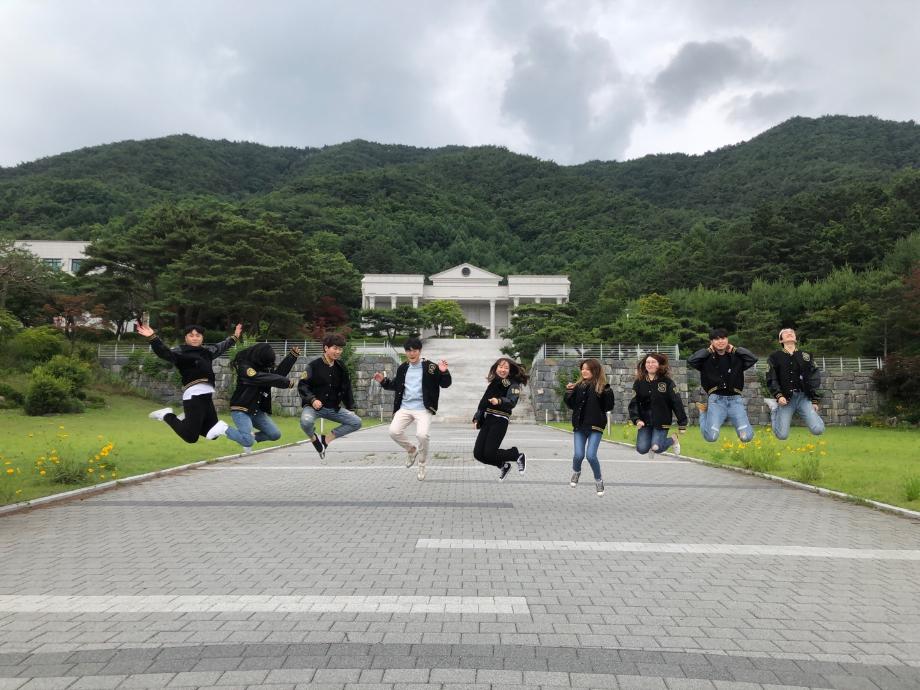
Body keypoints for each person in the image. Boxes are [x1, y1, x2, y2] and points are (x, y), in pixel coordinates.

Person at [138, 321, 242, 443]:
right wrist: (152, 337)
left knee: (213, 433)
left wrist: (235, 337)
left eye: (198, 335)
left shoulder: (207, 352)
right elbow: (164, 352)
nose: (195, 338)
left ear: (202, 338)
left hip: (207, 396)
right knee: (190, 437)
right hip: (194, 395)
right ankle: (166, 415)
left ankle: (185, 420)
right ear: (186, 338)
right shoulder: (180, 351)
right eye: (191, 335)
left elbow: (221, 346)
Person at [373, 335, 451, 481]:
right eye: (408, 351)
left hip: (423, 408)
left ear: (420, 351)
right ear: (405, 352)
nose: (412, 353)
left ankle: (422, 463)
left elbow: (445, 384)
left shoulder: (430, 367)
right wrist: (383, 381)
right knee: (393, 431)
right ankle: (411, 450)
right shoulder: (403, 368)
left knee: (422, 435)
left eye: (414, 350)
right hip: (405, 407)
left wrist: (443, 371)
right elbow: (396, 385)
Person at [225, 342, 301, 453]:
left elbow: (277, 376)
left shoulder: (264, 369)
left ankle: (250, 438)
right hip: (241, 410)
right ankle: (223, 428)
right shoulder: (245, 367)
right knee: (247, 441)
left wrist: (291, 357)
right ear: (260, 357)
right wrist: (284, 382)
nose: (269, 365)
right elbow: (259, 378)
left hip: (257, 411)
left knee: (275, 434)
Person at [687, 328, 758, 443]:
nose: (720, 341)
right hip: (716, 401)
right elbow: (691, 360)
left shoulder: (737, 357)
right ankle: (703, 412)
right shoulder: (706, 359)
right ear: (711, 342)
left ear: (727, 340)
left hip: (735, 401)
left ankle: (744, 434)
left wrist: (735, 349)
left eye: (723, 338)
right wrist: (708, 351)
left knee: (746, 437)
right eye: (716, 339)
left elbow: (753, 359)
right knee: (711, 438)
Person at [298, 333, 362, 458]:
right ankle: (314, 439)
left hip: (333, 408)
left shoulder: (341, 367)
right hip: (313, 408)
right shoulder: (313, 366)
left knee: (356, 422)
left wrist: (351, 407)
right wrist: (312, 399)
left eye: (340, 349)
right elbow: (302, 385)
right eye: (335, 348)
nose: (338, 352)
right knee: (305, 422)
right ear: (326, 348)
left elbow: (346, 388)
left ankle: (326, 440)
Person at [564, 358, 614, 496]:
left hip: (595, 427)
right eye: (583, 369)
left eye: (587, 369)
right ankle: (576, 472)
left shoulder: (602, 387)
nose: (584, 371)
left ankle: (598, 480)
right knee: (578, 455)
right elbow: (571, 404)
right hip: (580, 426)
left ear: (595, 370)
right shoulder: (578, 386)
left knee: (591, 456)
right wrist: (568, 391)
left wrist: (608, 392)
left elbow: (608, 406)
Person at [472, 358, 528, 481]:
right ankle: (503, 465)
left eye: (506, 368)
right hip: (488, 419)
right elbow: (483, 402)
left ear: (510, 370)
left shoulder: (513, 384)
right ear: (496, 368)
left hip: (500, 420)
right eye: (500, 367)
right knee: (478, 454)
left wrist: (499, 401)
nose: (503, 370)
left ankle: (516, 455)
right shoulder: (494, 383)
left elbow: (512, 402)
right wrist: (477, 417)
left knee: (489, 453)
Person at [765, 328, 826, 440]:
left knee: (818, 429)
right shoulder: (774, 357)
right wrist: (778, 395)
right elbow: (771, 378)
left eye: (792, 332)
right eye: (785, 333)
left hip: (804, 398)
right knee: (782, 435)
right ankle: (774, 408)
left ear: (796, 338)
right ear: (781, 340)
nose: (789, 333)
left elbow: (814, 377)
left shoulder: (806, 356)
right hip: (786, 399)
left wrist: (814, 400)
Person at [628, 352, 688, 458]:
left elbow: (677, 402)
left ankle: (673, 439)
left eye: (653, 362)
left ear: (659, 364)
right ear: (644, 365)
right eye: (648, 362)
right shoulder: (639, 382)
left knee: (658, 447)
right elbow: (634, 402)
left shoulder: (668, 382)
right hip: (644, 422)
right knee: (641, 449)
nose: (650, 364)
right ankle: (653, 445)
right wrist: (636, 419)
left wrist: (682, 423)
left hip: (662, 421)